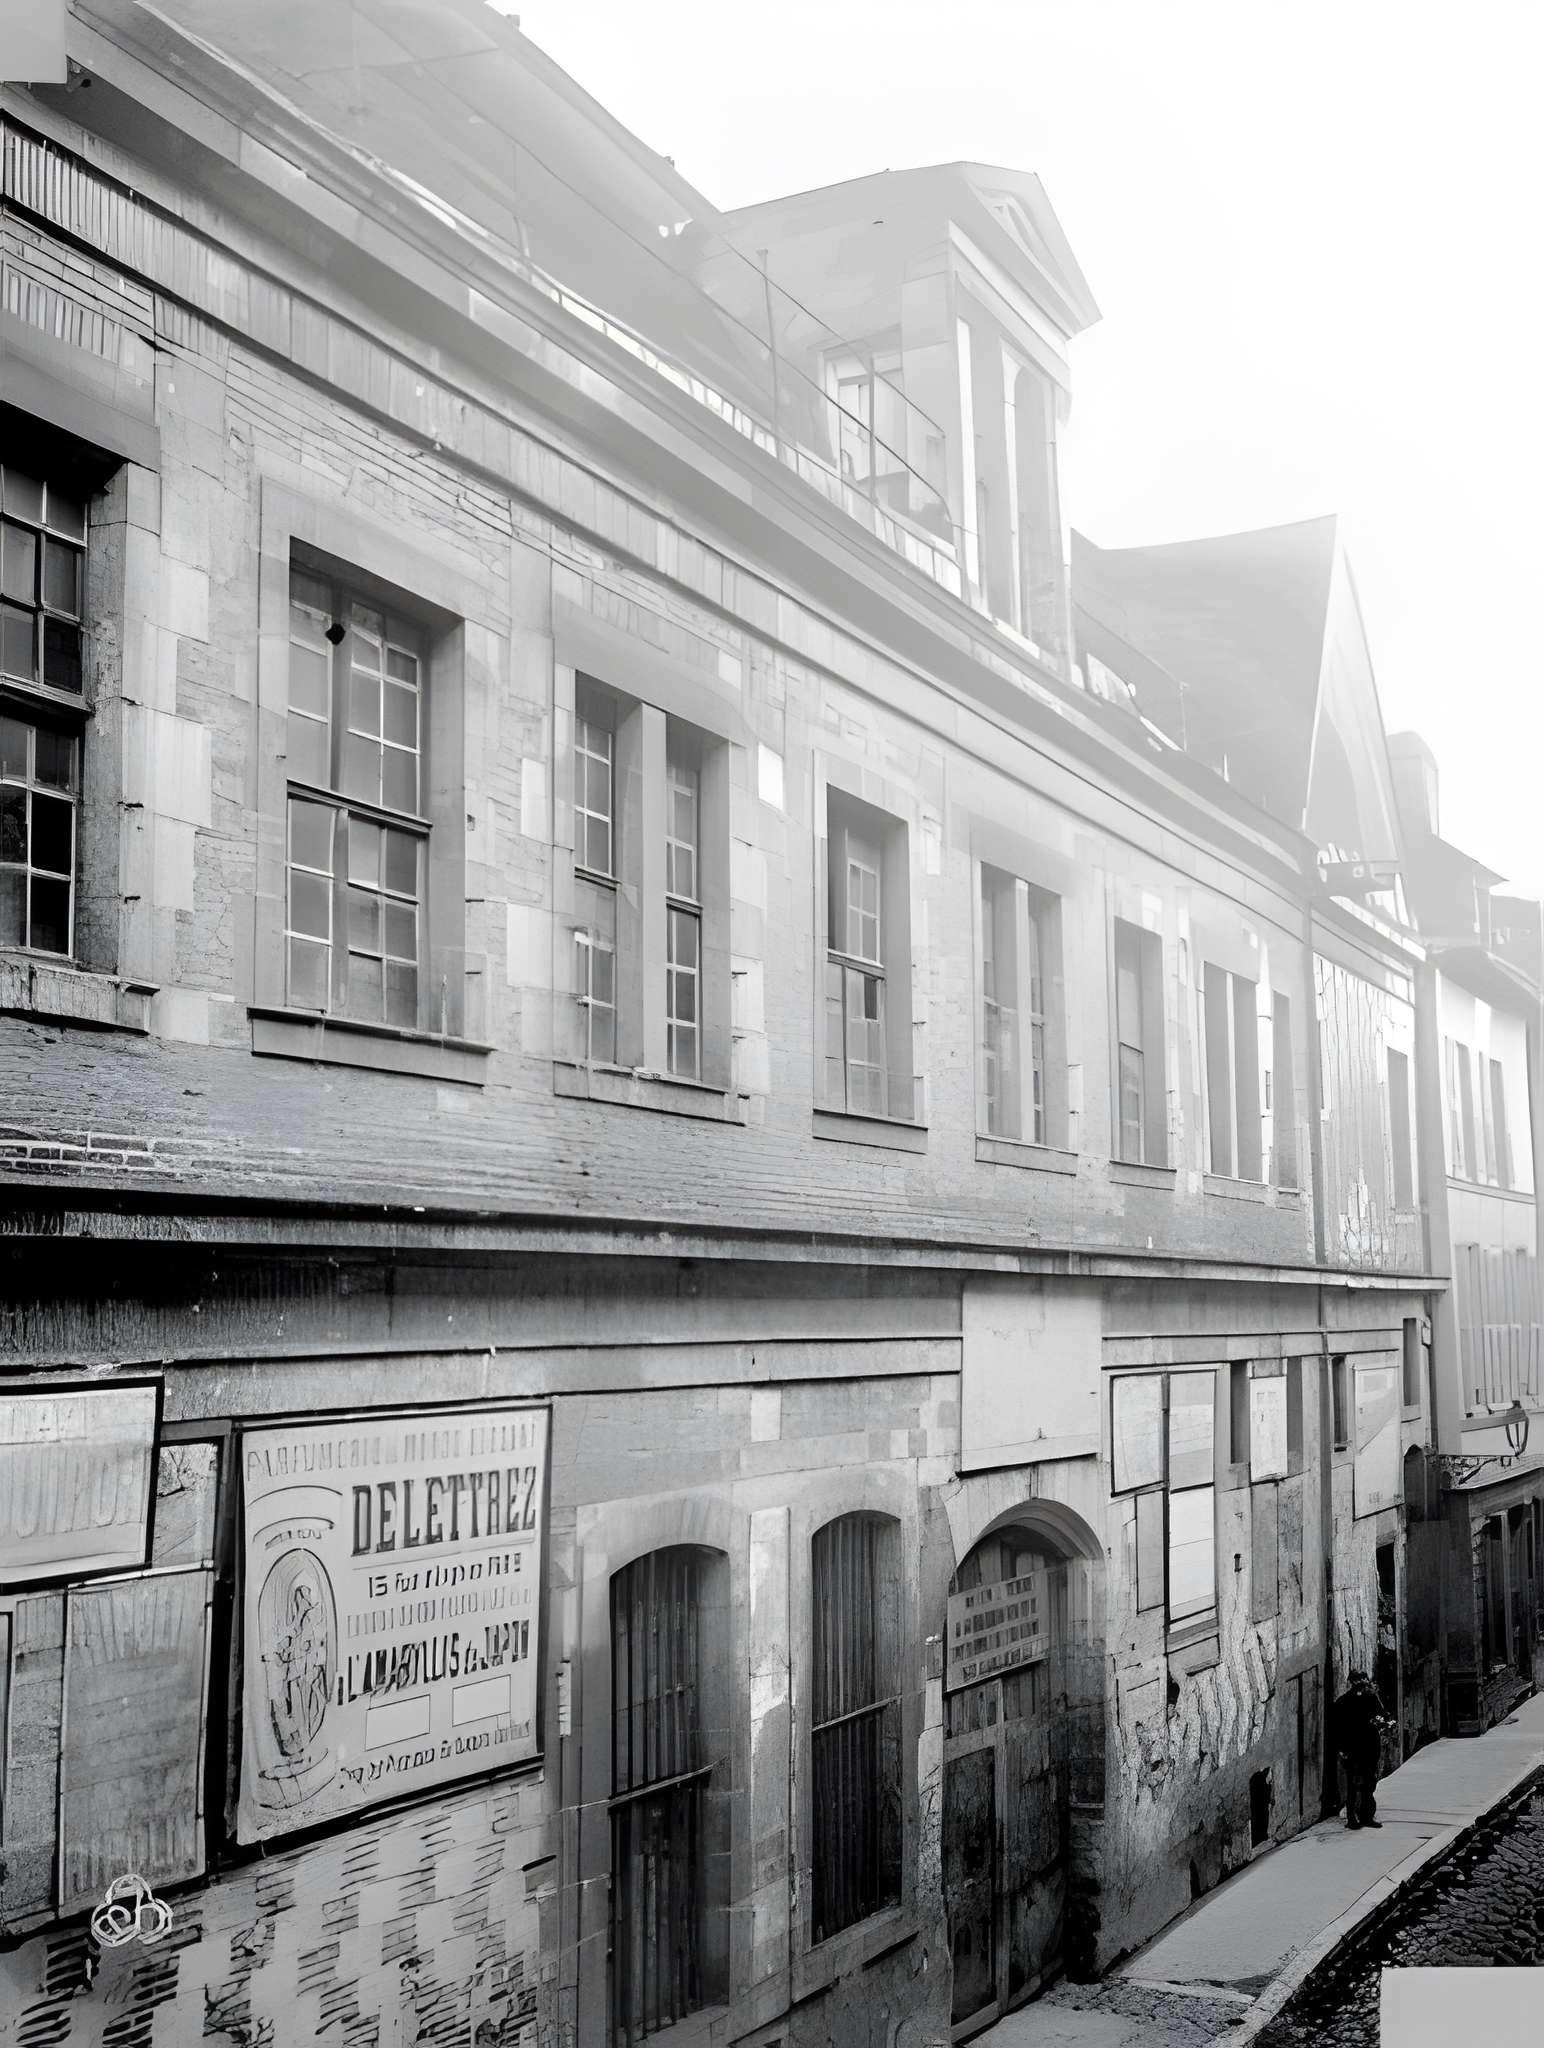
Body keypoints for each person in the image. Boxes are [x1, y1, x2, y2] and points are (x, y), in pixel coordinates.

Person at [1332, 1669, 1392, 1829]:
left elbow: (1385, 1717)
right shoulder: (1343, 1702)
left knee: (1369, 1784)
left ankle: (1366, 1817)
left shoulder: (1371, 1699)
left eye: (1364, 1680)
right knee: (1353, 1785)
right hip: (1352, 1748)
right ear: (1352, 1682)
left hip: (1370, 1747)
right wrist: (1341, 1749)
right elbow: (1337, 1728)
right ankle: (1352, 1819)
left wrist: (1382, 1722)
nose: (1362, 1683)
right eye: (1359, 1680)